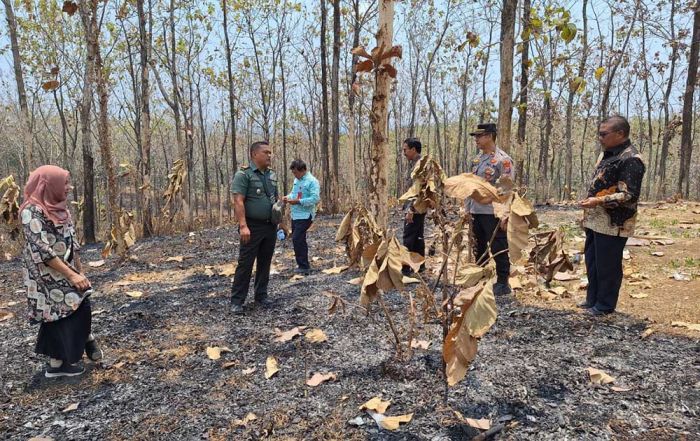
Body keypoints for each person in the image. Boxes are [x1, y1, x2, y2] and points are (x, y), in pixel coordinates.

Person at [20, 165, 102, 378]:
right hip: (44, 273)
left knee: (60, 312)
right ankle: (83, 344)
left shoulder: (60, 208)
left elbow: (73, 242)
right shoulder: (31, 211)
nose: (69, 188)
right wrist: (71, 275)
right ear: (48, 184)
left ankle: (57, 363)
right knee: (71, 307)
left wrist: (79, 271)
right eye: (65, 183)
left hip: (65, 268)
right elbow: (42, 250)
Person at [579, 115, 645, 316]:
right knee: (592, 260)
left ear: (620, 134)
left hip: (614, 222)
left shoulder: (631, 159)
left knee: (608, 264)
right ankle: (593, 299)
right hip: (595, 219)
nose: (600, 137)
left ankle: (605, 305)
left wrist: (597, 201)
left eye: (604, 134)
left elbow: (629, 195)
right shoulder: (607, 154)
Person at [230, 141, 279, 315]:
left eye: (270, 152)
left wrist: (282, 223)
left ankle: (261, 295)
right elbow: (238, 201)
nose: (269, 155)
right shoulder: (244, 175)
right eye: (266, 152)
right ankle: (237, 301)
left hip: (270, 226)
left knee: (265, 262)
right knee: (245, 264)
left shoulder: (271, 175)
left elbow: (275, 200)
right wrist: (243, 225)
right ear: (254, 155)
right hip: (252, 226)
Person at [466, 123, 514, 295]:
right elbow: (469, 187)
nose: (476, 140)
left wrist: (505, 214)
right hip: (475, 211)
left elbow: (507, 189)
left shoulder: (503, 160)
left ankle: (503, 282)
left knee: (498, 246)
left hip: (492, 211)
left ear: (489, 136)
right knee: (478, 246)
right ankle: (482, 277)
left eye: (479, 136)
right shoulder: (477, 160)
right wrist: (467, 209)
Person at [282, 159, 320, 276]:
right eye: (293, 173)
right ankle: (301, 264)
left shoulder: (312, 181)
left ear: (302, 170)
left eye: (296, 173)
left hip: (305, 215)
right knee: (298, 239)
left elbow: (315, 199)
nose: (295, 175)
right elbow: (294, 194)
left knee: (297, 239)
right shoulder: (296, 180)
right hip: (295, 215)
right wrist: (287, 197)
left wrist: (298, 201)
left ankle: (304, 266)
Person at [401, 138, 426, 276]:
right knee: (417, 237)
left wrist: (411, 209)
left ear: (413, 149)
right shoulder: (417, 163)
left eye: (405, 150)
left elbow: (418, 190)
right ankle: (420, 266)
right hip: (418, 207)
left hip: (415, 207)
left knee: (408, 238)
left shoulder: (420, 166)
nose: (404, 152)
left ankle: (405, 269)